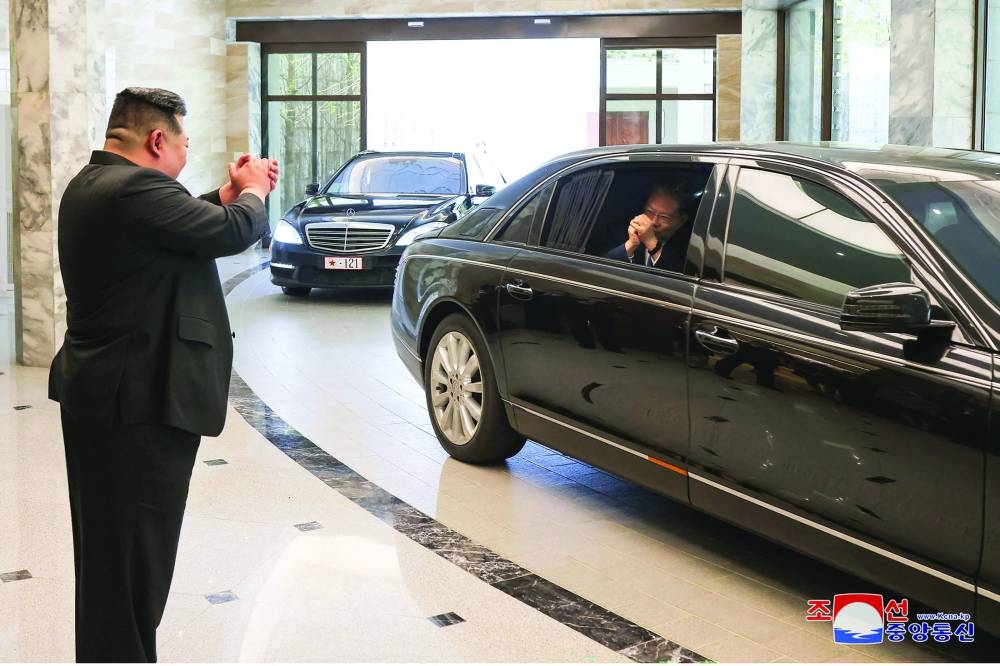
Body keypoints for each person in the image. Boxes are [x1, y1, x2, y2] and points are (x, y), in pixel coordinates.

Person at [48, 87, 278, 663]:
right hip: (138, 407)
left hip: (106, 399)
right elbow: (230, 232)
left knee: (112, 562)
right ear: (157, 140)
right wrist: (252, 193)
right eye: (182, 142)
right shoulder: (136, 190)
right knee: (134, 568)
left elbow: (174, 227)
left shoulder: (95, 184)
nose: (184, 152)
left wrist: (225, 194)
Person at [606, 182, 692, 270]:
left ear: (681, 221)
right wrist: (631, 244)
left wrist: (651, 242)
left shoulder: (693, 247)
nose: (653, 222)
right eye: (649, 212)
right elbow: (603, 271)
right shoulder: (622, 233)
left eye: (664, 217)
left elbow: (677, 278)